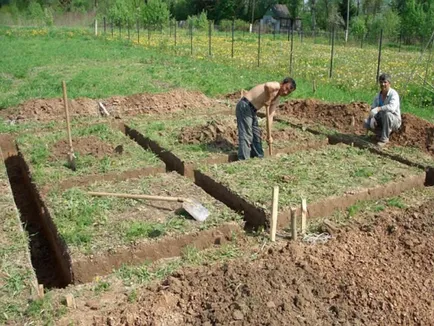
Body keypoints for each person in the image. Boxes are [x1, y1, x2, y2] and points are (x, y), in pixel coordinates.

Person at [236, 77, 296, 160]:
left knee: (256, 134)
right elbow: (267, 85)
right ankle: (243, 159)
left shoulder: (277, 99)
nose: (285, 92)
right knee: (247, 134)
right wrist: (269, 98)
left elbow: (270, 116)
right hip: (245, 105)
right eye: (286, 88)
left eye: (288, 92)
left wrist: (269, 135)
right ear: (282, 83)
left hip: (252, 110)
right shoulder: (276, 86)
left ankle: (259, 157)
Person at [364, 73, 401, 147]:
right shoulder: (378, 96)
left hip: (393, 120)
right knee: (366, 122)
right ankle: (380, 134)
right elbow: (373, 108)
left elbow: (392, 108)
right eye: (381, 82)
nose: (383, 84)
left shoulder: (393, 94)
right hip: (381, 119)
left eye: (385, 82)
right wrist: (372, 118)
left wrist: (379, 108)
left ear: (389, 83)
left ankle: (384, 139)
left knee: (387, 114)